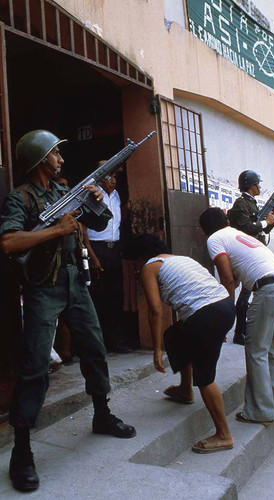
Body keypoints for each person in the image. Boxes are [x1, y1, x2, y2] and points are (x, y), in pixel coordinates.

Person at [0, 130, 136, 493]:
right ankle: (22, 451)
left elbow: (100, 223)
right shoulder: (21, 199)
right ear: (41, 158)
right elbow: (10, 241)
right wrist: (54, 229)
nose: (61, 159)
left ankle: (102, 414)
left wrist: (95, 198)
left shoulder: (64, 192)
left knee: (94, 348)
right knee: (34, 368)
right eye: (56, 153)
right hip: (43, 288)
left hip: (75, 283)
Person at [132, 233, 235, 453]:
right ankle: (185, 389)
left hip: (207, 314)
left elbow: (155, 310)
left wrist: (157, 350)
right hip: (224, 306)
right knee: (175, 335)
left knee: (205, 377)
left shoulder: (150, 267)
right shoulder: (182, 259)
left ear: (141, 258)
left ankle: (224, 435)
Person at [199, 207, 274, 425]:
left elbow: (226, 278)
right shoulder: (237, 234)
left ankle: (260, 411)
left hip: (268, 290)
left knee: (256, 351)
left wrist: (227, 314)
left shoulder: (215, 239)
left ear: (205, 229)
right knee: (270, 348)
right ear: (225, 220)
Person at [227, 170, 274, 345]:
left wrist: (272, 217)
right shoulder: (241, 204)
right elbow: (247, 228)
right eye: (258, 183)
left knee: (248, 292)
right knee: (246, 293)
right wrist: (265, 222)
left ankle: (242, 331)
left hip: (254, 252)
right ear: (251, 185)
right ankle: (239, 332)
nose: (260, 187)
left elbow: (260, 228)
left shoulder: (251, 203)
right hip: (247, 254)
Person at [83, 169, 131, 353]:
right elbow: (83, 228)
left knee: (115, 295)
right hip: (97, 248)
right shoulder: (92, 195)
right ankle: (97, 342)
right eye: (110, 176)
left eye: (116, 176)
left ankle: (116, 341)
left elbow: (121, 218)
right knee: (97, 296)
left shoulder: (118, 196)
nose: (114, 180)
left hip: (114, 248)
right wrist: (92, 256)